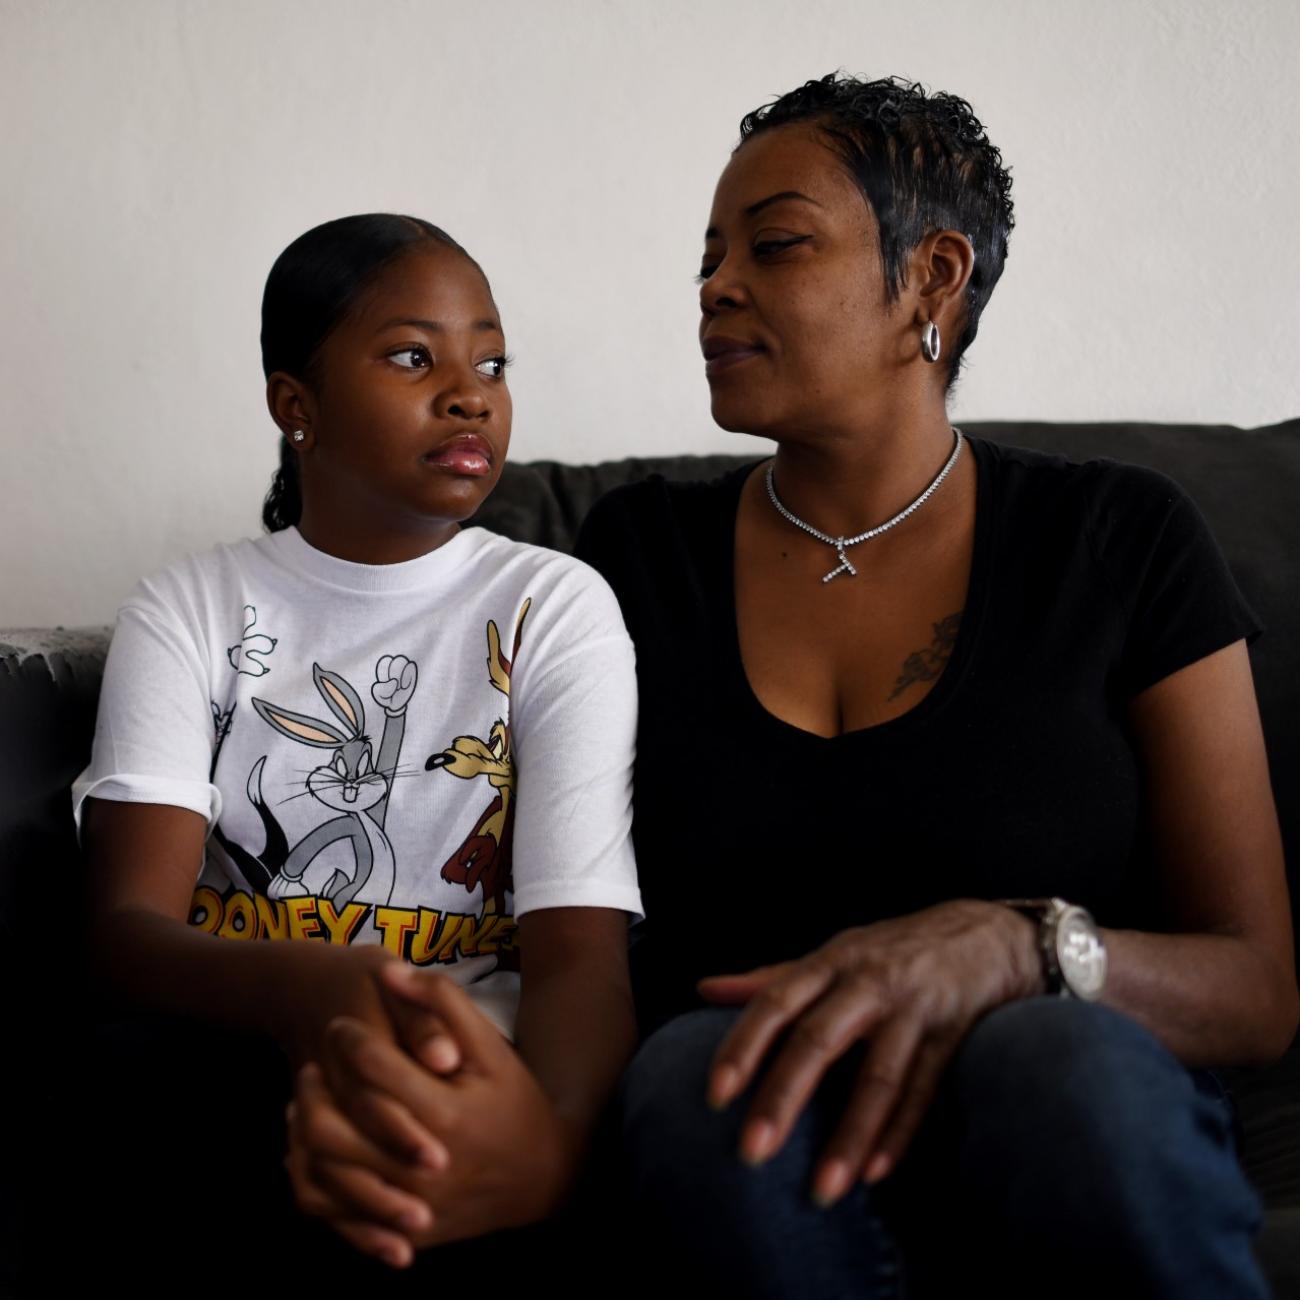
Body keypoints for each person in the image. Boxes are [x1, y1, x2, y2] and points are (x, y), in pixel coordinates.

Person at [565, 75, 1297, 1297]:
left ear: (932, 278)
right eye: (708, 254)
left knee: (1061, 1063)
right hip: (754, 1162)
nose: (714, 286)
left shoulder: (1117, 539)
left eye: (775, 244)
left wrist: (1020, 947)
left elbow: (1259, 988)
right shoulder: (631, 559)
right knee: (700, 1078)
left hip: (1071, 1129)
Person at [71, 213, 642, 1288]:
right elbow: (122, 933)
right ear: (298, 405)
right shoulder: (191, 607)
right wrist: (315, 990)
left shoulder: (549, 606)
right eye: (413, 355)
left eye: (492, 359)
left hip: (473, 1060)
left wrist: (555, 1150)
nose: (471, 391)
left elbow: (580, 955)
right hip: (246, 1053)